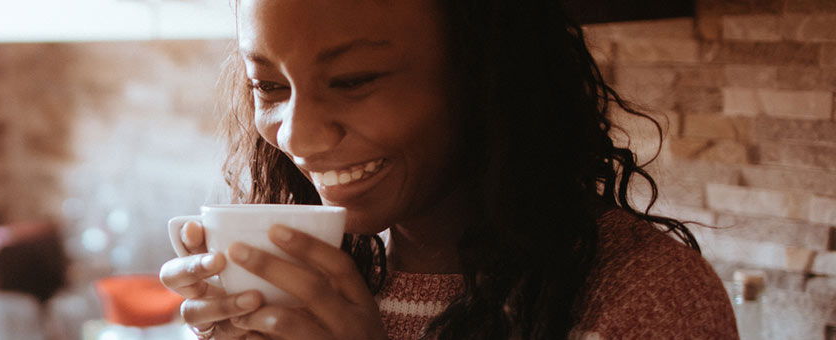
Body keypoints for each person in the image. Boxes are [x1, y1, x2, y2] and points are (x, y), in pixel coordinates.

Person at [158, 0, 737, 339]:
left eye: (354, 80)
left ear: (489, 75)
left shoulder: (645, 296)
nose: (295, 136)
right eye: (269, 86)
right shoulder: (320, 283)